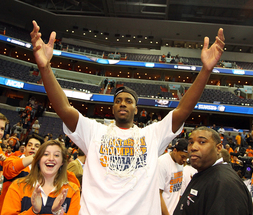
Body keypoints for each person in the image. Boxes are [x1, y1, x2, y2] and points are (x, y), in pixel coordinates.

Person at [31, 20, 225, 214]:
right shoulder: (94, 131)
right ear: (112, 109)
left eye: (128, 101)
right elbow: (64, 108)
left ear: (137, 110)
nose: (123, 103)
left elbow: (182, 110)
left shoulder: (152, 135)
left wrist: (206, 70)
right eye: (118, 101)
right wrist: (45, 68)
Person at [173, 127, 252, 215]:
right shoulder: (206, 173)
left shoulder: (224, 183)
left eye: (202, 142)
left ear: (218, 148)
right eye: (191, 142)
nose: (193, 147)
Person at [1, 140, 80, 215]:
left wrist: (58, 212)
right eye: (46, 154)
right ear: (38, 159)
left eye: (56, 155)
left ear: (62, 161)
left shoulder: (72, 190)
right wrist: (33, 211)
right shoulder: (18, 186)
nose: (51, 158)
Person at [0, 134, 44, 215]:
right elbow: (10, 170)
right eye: (30, 145)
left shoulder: (44, 169)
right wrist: (36, 156)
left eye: (37, 146)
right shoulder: (13, 160)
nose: (33, 147)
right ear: (25, 148)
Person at [158, 139, 188, 215]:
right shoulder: (162, 163)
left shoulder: (180, 163)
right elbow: (157, 194)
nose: (184, 160)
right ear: (174, 150)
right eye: (183, 156)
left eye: (187, 157)